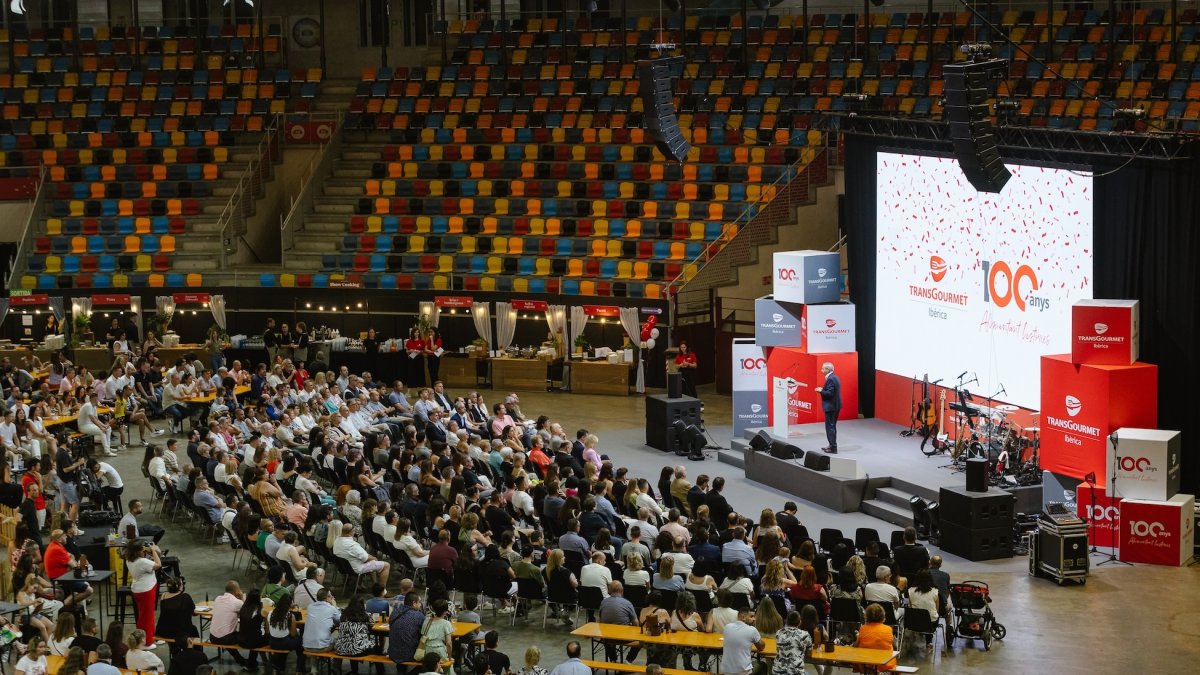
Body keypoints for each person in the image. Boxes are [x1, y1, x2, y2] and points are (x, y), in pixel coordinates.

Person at [122, 541, 162, 646]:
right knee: (146, 618)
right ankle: (146, 643)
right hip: (146, 591)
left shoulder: (129, 560)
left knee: (147, 615)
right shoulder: (142, 561)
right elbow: (158, 565)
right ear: (138, 551)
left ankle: (153, 637)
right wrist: (153, 550)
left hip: (140, 589)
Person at [209, 581, 254, 669]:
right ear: (237, 591)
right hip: (226, 638)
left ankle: (241, 661)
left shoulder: (218, 598)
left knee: (228, 633)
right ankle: (250, 662)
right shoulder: (237, 602)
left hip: (212, 637)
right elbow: (248, 612)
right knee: (249, 637)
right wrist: (242, 598)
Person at [333, 595, 377, 675]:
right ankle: (380, 670)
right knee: (377, 648)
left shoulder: (343, 615)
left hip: (341, 649)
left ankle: (354, 670)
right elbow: (372, 624)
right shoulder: (364, 615)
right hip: (357, 650)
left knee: (352, 643)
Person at [268, 593, 306, 674]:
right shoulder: (290, 616)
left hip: (272, 642)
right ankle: (299, 670)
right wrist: (298, 631)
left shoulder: (270, 613)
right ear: (289, 604)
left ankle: (279, 668)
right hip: (284, 642)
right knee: (302, 645)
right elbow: (293, 634)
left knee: (285, 646)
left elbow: (269, 630)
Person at [720, 606, 765, 675]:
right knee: (763, 665)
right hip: (743, 672)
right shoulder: (752, 630)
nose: (754, 619)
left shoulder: (727, 627)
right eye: (751, 616)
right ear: (743, 617)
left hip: (725, 671)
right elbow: (761, 647)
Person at [387, 592, 425, 665]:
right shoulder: (419, 615)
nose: (420, 605)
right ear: (414, 603)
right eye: (419, 602)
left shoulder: (395, 612)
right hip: (409, 655)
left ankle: (401, 670)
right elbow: (425, 630)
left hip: (392, 653)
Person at [855, 604, 898, 670]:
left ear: (867, 616)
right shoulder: (888, 629)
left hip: (866, 664)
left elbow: (856, 645)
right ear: (883, 616)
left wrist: (858, 636)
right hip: (885, 664)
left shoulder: (863, 628)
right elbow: (895, 646)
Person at [774, 610, 815, 675]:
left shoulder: (779, 633)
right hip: (797, 672)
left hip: (777, 672)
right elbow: (809, 654)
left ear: (786, 621)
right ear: (800, 622)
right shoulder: (805, 634)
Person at [78, 391, 116, 457]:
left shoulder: (94, 406)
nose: (97, 400)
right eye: (96, 399)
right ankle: (107, 451)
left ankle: (108, 448)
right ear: (94, 399)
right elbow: (92, 419)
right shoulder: (88, 405)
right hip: (83, 426)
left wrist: (104, 425)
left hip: (90, 425)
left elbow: (96, 419)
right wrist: (101, 427)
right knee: (102, 431)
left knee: (108, 428)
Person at [814, 362, 841, 453]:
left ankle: (833, 447)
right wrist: (823, 390)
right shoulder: (834, 377)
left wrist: (821, 391)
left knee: (830, 427)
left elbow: (829, 394)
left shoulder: (830, 379)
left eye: (823, 368)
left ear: (828, 370)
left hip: (831, 407)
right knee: (832, 426)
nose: (821, 370)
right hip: (835, 406)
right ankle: (831, 445)